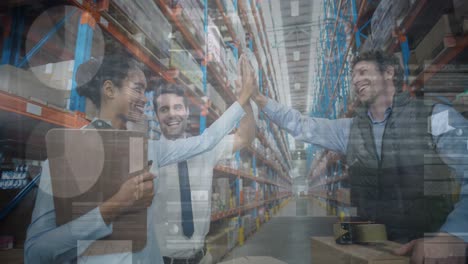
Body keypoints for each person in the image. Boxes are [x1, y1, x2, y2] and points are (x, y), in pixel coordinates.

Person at [25, 51, 256, 264]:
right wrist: (114, 206)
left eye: (145, 92)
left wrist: (243, 98)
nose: (145, 99)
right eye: (137, 89)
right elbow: (36, 252)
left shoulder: (150, 150)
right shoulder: (66, 156)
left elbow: (207, 140)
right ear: (109, 90)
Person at [250, 50, 468, 264]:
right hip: (374, 250)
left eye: (363, 72)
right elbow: (300, 124)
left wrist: (456, 233)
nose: (356, 80)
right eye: (353, 75)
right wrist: (259, 98)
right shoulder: (349, 130)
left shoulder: (436, 116)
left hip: (428, 251)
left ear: (389, 73)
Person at [152, 55, 256, 264]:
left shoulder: (204, 149)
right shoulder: (150, 153)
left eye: (177, 107)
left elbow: (245, 137)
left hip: (202, 258)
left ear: (187, 111)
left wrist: (247, 103)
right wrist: (241, 99)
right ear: (156, 116)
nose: (172, 114)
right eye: (164, 109)